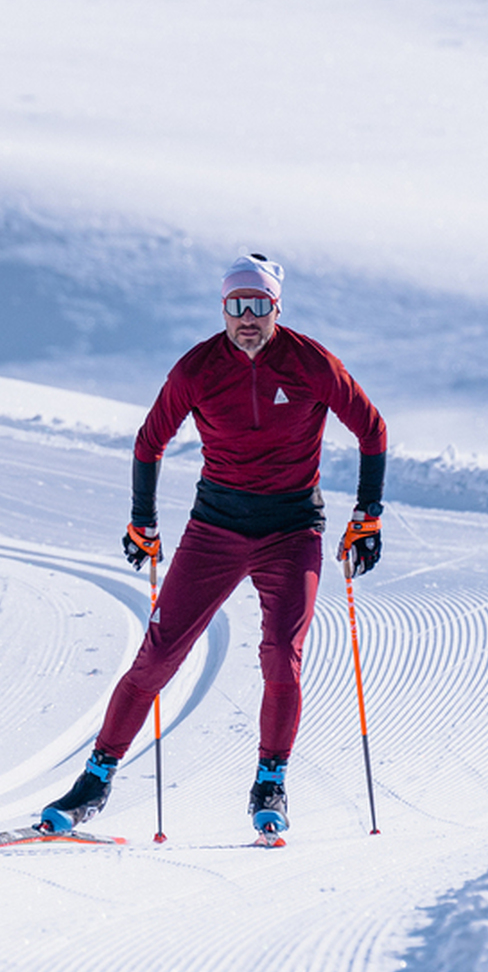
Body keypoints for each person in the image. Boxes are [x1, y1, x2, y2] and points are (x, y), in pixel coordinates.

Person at [39, 253, 387, 839]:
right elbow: (149, 443)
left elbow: (372, 429)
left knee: (281, 653)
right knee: (158, 654)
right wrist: (142, 522)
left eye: (258, 305)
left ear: (276, 307)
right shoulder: (198, 368)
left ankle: (270, 782)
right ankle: (96, 780)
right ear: (223, 308)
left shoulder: (311, 363)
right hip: (215, 528)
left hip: (292, 529)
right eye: (235, 305)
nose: (246, 318)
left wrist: (367, 516)